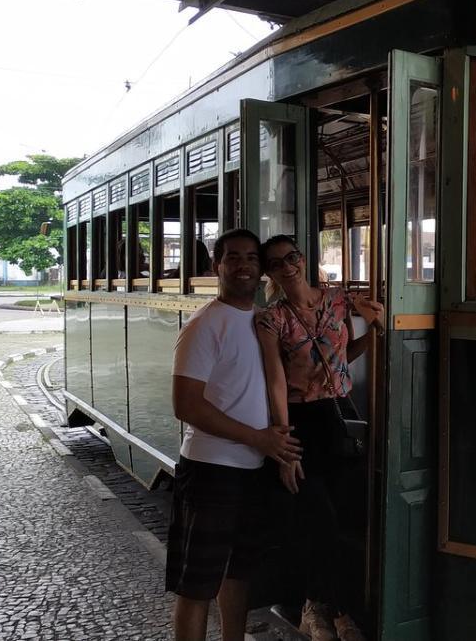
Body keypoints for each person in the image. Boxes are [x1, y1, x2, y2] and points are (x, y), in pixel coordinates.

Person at [167, 227, 303, 641]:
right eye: (233, 257)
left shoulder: (264, 321)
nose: (243, 265)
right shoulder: (205, 325)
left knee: (239, 573)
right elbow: (186, 405)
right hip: (211, 470)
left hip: (252, 470)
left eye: (251, 258)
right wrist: (257, 438)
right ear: (217, 266)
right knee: (197, 586)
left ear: (262, 271)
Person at [254, 234, 385, 641]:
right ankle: (319, 609)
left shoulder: (337, 301)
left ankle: (334, 610)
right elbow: (276, 381)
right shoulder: (270, 319)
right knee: (319, 520)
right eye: (276, 263)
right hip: (299, 419)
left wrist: (376, 328)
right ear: (269, 272)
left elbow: (344, 358)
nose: (287, 266)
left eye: (291, 257)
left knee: (339, 517)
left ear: (303, 258)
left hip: (336, 414)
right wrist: (284, 443)